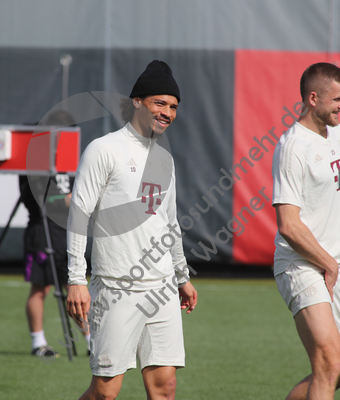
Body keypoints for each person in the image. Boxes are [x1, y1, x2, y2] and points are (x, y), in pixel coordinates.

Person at [67, 60, 197, 400]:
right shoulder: (103, 149)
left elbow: (170, 224)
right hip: (115, 287)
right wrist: (77, 279)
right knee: (106, 392)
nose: (168, 112)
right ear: (137, 101)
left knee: (165, 388)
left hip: (162, 288)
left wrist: (181, 277)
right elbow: (78, 216)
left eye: (173, 107)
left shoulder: (165, 159)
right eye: (160, 103)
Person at [272, 62, 340, 400]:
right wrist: (328, 262)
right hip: (301, 264)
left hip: (332, 264)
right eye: (337, 99)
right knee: (328, 363)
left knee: (334, 371)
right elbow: (288, 225)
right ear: (313, 98)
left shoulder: (337, 133)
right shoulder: (293, 147)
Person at [22, 110, 90, 357]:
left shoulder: (70, 158)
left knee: (74, 285)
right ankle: (38, 343)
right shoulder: (34, 158)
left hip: (66, 231)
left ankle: (91, 341)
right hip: (41, 230)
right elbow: (31, 198)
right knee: (41, 288)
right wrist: (62, 200)